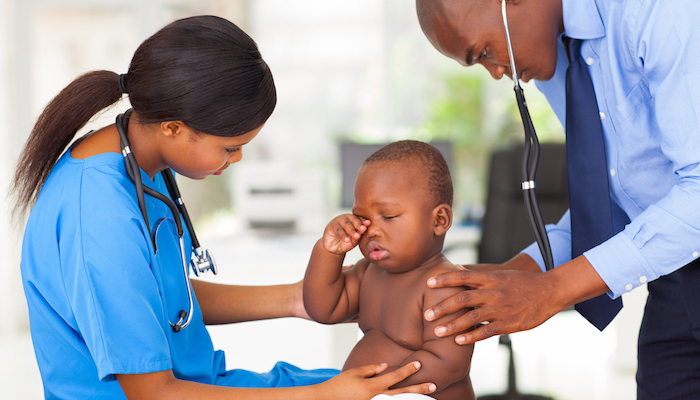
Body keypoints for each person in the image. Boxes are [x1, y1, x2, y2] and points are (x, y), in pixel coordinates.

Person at [11, 15, 438, 400]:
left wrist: (302, 300)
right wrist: (319, 396)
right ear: (174, 127)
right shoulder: (98, 215)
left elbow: (156, 300)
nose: (235, 161)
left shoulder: (136, 158)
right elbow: (154, 393)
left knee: (387, 386)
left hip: (198, 383)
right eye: (230, 148)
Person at [414, 0, 700, 399]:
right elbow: (615, 200)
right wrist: (513, 276)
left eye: (484, 52)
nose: (497, 72)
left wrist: (552, 290)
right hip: (678, 276)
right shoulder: (558, 55)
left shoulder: (654, 11)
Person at [304, 140, 475, 400]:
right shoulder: (368, 272)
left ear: (439, 220)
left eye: (389, 216)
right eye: (363, 219)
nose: (371, 230)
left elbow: (448, 364)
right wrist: (328, 253)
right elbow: (323, 309)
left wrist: (377, 388)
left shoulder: (444, 285)